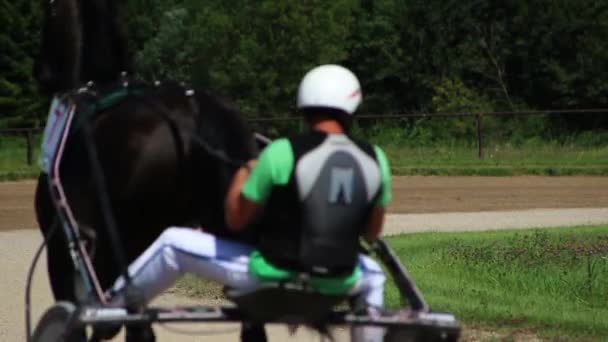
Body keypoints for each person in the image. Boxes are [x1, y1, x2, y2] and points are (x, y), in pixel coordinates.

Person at [108, 64, 392, 341]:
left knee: (172, 243)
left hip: (270, 276)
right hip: (339, 279)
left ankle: (110, 307)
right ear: (352, 107)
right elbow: (371, 233)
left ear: (304, 107)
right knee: (375, 275)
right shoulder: (376, 159)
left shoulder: (281, 153)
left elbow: (235, 219)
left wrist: (246, 170)